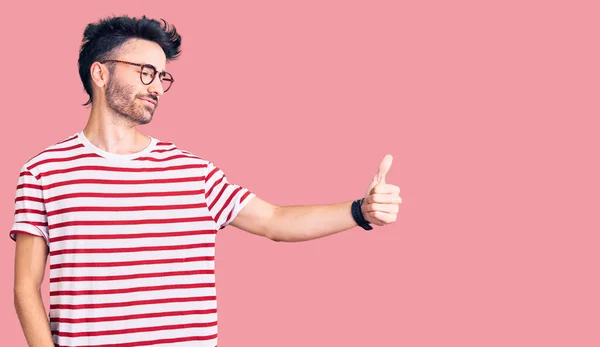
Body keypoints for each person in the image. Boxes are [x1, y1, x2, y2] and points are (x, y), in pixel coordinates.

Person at [10, 15, 402, 347]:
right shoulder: (43, 172)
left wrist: (359, 211)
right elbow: (26, 289)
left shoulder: (194, 172)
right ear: (100, 72)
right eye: (146, 71)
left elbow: (275, 220)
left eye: (163, 76)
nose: (157, 86)